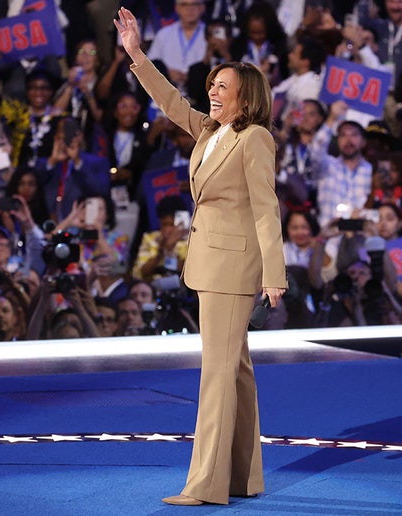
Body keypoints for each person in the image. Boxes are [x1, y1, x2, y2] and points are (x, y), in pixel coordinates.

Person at [116, 7, 287, 506]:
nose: (211, 91)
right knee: (235, 370)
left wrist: (274, 275)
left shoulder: (255, 139)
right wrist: (136, 55)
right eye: (211, 85)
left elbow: (266, 211)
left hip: (234, 270)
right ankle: (244, 477)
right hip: (211, 264)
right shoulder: (212, 133)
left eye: (222, 87)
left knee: (216, 375)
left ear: (246, 97)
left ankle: (206, 485)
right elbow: (170, 101)